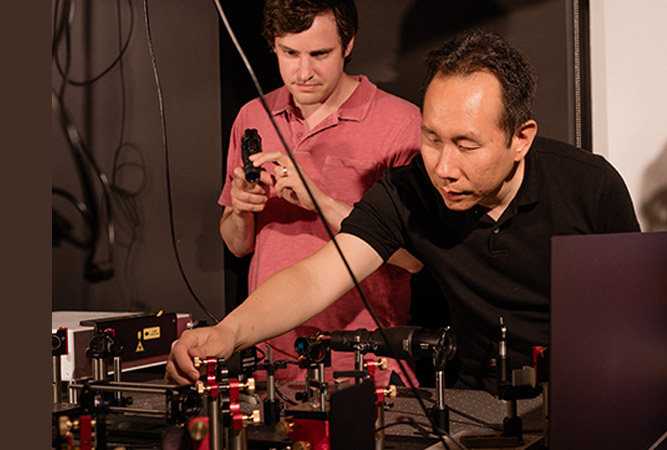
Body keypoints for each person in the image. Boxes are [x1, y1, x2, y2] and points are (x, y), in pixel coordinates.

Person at [169, 29, 639, 392]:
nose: (443, 167)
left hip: (578, 399)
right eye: (432, 139)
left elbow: (633, 324)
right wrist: (228, 333)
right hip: (465, 396)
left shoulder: (589, 186)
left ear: (521, 138)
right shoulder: (409, 189)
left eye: (466, 145)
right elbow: (316, 277)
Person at [219, 0, 422, 385]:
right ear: (272, 45)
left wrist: (322, 202)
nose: (304, 72)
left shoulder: (400, 123)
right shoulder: (252, 116)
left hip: (365, 363)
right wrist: (241, 210)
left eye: (320, 54)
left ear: (348, 44)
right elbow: (236, 245)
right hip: (270, 362)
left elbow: (413, 258)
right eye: (290, 54)